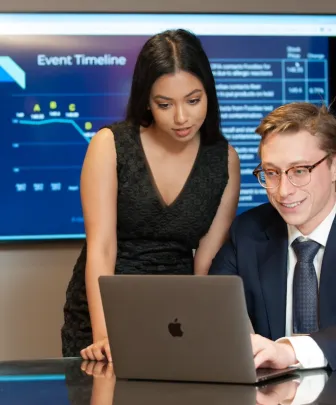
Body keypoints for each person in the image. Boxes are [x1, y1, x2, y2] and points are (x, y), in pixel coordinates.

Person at [61, 29, 240, 361]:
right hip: (102, 308)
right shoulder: (110, 145)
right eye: (165, 104)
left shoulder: (224, 159)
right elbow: (101, 246)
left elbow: (206, 262)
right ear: (146, 99)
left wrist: (197, 325)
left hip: (176, 314)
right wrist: (103, 337)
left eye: (193, 99)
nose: (182, 117)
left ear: (209, 94)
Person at [209, 102, 336, 371]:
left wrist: (290, 351)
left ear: (334, 166)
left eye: (299, 171)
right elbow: (211, 311)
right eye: (271, 173)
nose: (283, 191)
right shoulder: (248, 232)